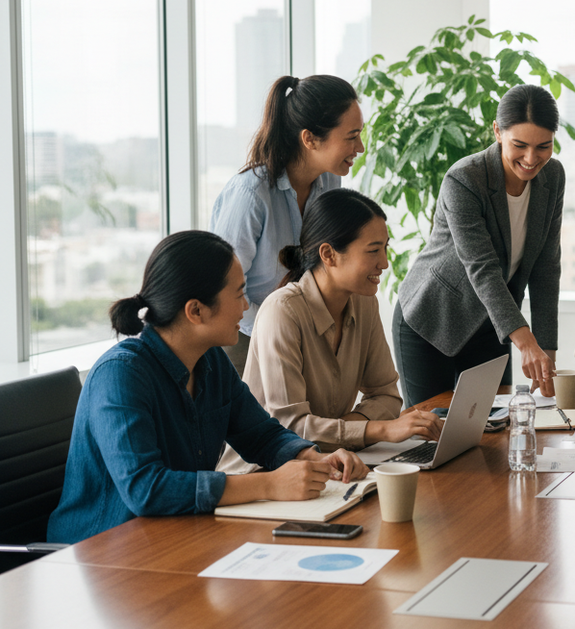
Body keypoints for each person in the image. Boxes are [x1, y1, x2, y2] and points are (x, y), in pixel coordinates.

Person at [47, 231, 367, 545]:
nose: (246, 307)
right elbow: (146, 489)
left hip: (173, 537)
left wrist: (310, 457)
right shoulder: (120, 375)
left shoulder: (211, 360)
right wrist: (268, 485)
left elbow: (261, 434)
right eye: (239, 294)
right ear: (196, 311)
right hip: (98, 553)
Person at [218, 190, 442, 475]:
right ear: (329, 254)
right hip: (264, 474)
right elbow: (291, 429)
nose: (384, 262)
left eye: (385, 248)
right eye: (373, 250)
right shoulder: (282, 311)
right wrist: (377, 429)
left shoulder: (364, 302)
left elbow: (387, 396)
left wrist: (346, 431)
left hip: (333, 463)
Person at [394, 84, 564, 405]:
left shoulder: (552, 177)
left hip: (493, 325)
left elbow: (546, 268)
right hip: (432, 319)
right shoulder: (465, 179)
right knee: (434, 435)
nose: (531, 158)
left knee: (494, 430)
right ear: (498, 132)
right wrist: (526, 343)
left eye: (543, 146)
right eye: (520, 145)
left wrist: (546, 351)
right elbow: (482, 268)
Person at [210, 74, 363, 374]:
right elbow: (220, 290)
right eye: (351, 136)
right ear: (309, 139)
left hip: (299, 331)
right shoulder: (250, 195)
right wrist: (282, 327)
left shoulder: (330, 180)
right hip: (242, 338)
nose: (360, 148)